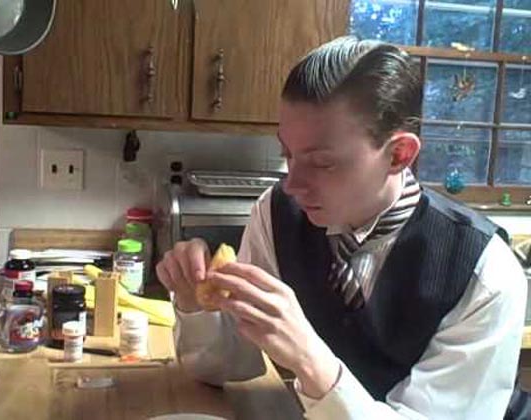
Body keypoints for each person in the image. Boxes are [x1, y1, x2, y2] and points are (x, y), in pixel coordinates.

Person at [156, 36, 528, 419]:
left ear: (398, 155)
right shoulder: (276, 214)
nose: (292, 184)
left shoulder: (485, 273)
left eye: (322, 163)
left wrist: (310, 361)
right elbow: (231, 365)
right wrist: (192, 303)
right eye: (288, 154)